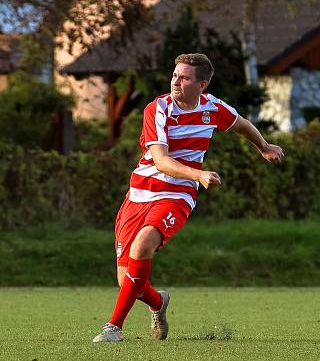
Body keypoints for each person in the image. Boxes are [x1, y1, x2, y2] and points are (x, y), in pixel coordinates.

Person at [92, 53, 283, 342]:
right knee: (127, 280)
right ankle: (158, 303)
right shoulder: (158, 109)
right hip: (139, 193)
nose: (176, 82)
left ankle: (113, 328)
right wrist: (200, 174)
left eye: (184, 78)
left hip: (177, 194)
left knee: (143, 245)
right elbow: (161, 161)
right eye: (174, 75)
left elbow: (241, 123)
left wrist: (264, 145)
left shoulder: (213, 107)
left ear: (202, 84)